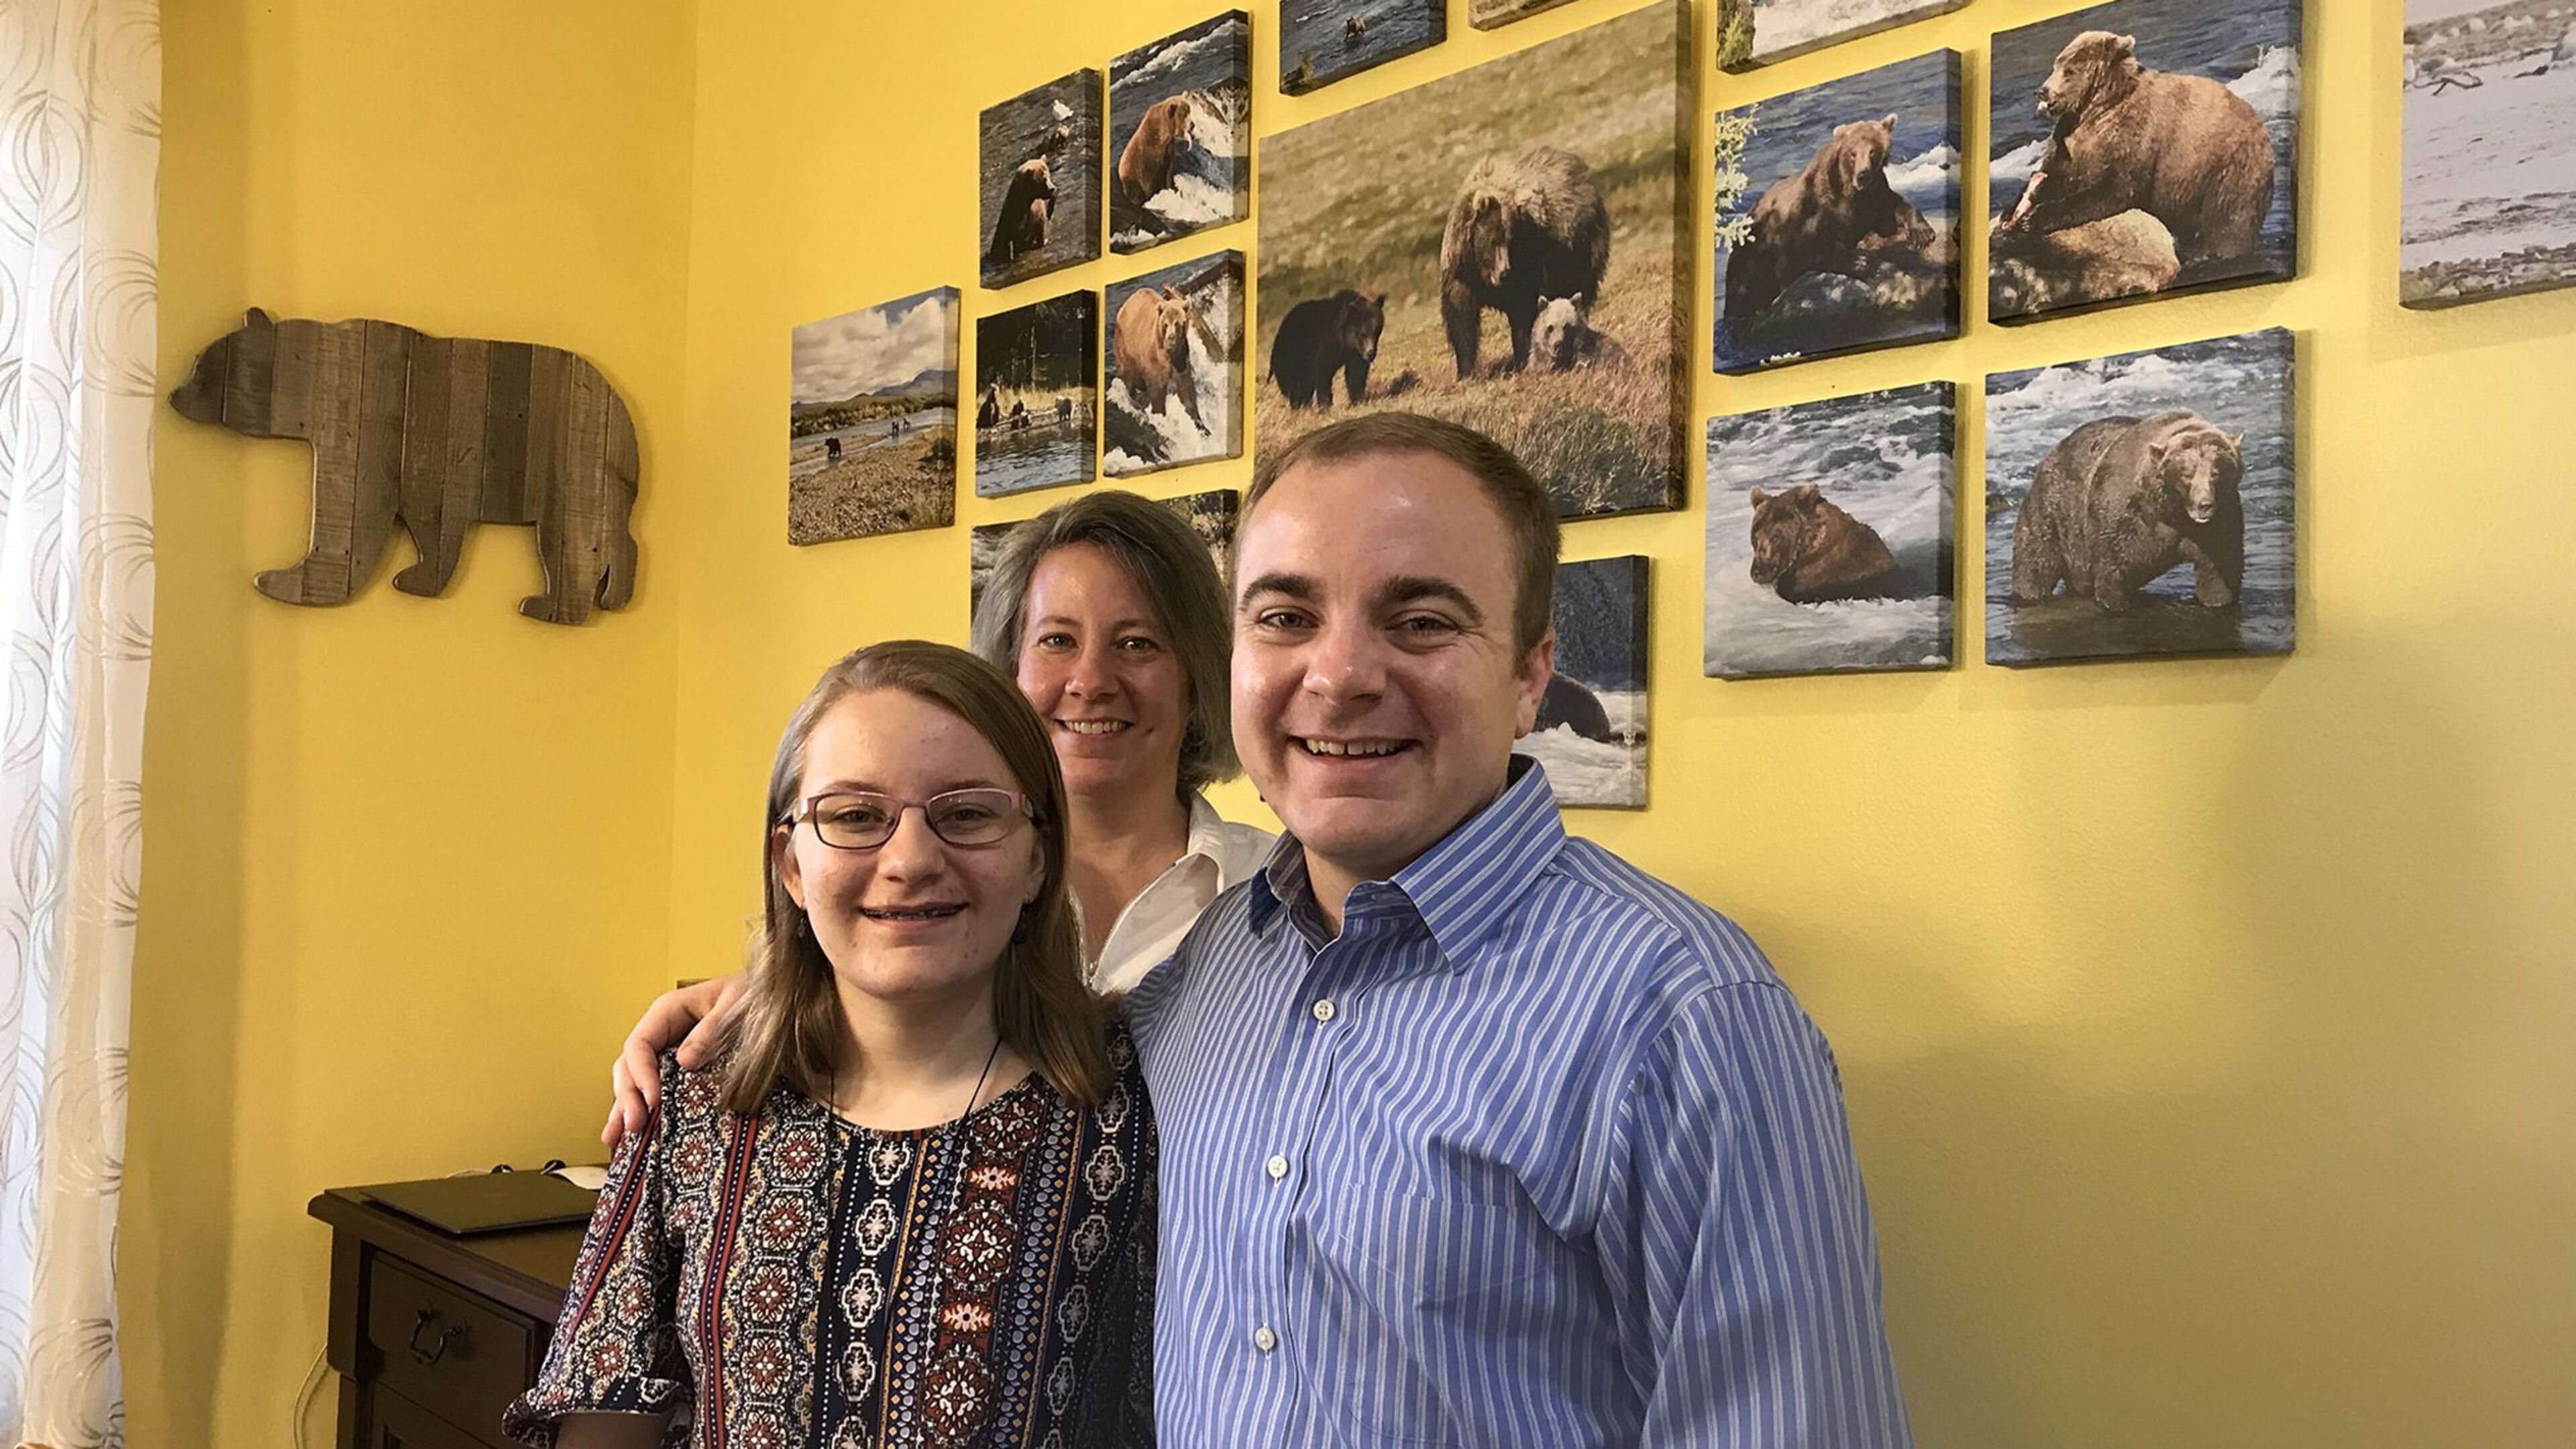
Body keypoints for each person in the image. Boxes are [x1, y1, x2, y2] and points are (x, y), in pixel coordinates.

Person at [611, 417, 1912, 1446]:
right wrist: (777, 991)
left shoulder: (1686, 1020)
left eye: (1421, 619)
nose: (1339, 675)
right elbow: (975, 1038)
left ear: (1530, 671)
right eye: (1286, 616)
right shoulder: (1207, 979)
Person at [513, 641, 1155, 1448]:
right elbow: (604, 1427)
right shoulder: (698, 1098)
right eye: (854, 817)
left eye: (967, 813)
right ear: (791, 863)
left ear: (1036, 858)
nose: (912, 860)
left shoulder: (1134, 1103)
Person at [968, 490, 1273, 994]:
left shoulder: (1283, 893)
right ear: (1009, 670)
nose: (1091, 682)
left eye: (1136, 644)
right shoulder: (951, 880)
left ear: (1196, 680)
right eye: (1058, 641)